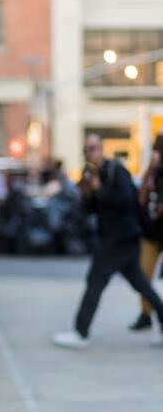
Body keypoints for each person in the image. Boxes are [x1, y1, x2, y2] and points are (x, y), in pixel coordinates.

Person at [53, 134, 163, 349]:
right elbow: (91, 210)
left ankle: (80, 331)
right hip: (113, 239)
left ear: (102, 149)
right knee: (141, 284)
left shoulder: (116, 170)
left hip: (120, 239)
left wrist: (99, 190)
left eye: (93, 148)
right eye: (86, 149)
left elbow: (126, 201)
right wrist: (87, 194)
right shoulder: (92, 174)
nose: (90, 152)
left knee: (95, 280)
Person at [129, 137, 163, 331]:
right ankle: (145, 314)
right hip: (150, 233)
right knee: (144, 274)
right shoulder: (152, 174)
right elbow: (141, 197)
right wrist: (151, 169)